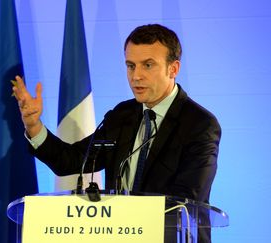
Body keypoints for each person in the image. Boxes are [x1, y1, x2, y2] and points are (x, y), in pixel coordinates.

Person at [13, 24, 221, 242]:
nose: (136, 76)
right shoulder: (122, 115)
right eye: (131, 66)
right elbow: (73, 160)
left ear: (173, 68)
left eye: (148, 65)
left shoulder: (200, 125)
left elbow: (186, 200)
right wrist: (34, 125)